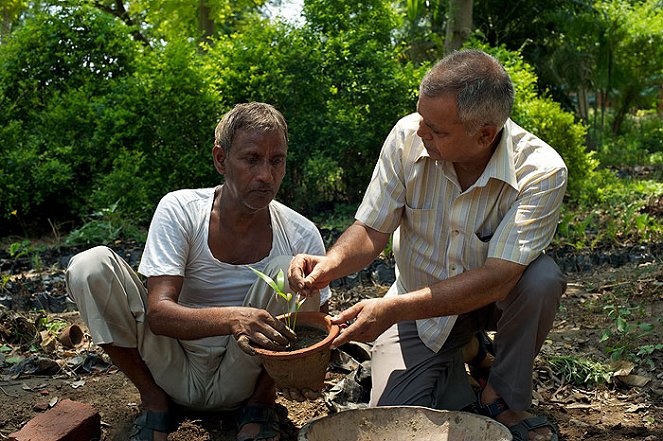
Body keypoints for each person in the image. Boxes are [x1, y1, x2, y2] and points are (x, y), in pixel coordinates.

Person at [288, 49, 567, 441]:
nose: (421, 132)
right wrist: (328, 264)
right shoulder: (407, 138)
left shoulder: (541, 171)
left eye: (436, 129)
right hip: (421, 312)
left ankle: (501, 394)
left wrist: (390, 310)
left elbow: (499, 279)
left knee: (541, 279)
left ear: (485, 134)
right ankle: (470, 351)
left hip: (493, 303)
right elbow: (371, 230)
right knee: (395, 420)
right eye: (422, 118)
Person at [66, 102, 330, 441]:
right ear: (220, 159)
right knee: (91, 265)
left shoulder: (300, 231)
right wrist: (234, 318)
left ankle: (259, 408)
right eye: (251, 159)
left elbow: (317, 322)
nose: (266, 175)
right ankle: (152, 400)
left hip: (248, 373)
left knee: (288, 270)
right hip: (171, 365)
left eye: (276, 160)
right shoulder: (180, 210)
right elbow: (159, 314)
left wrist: (296, 373)